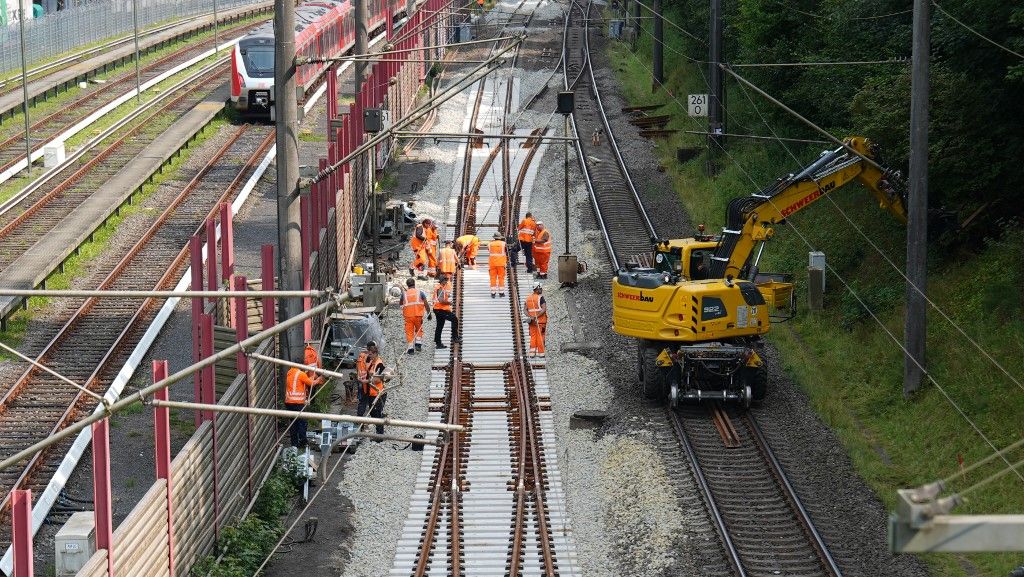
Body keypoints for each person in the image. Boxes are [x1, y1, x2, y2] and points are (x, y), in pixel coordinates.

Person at [356, 343, 387, 435]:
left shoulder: (379, 364)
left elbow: (377, 379)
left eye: (370, 354)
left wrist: (367, 381)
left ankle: (380, 434)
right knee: (373, 414)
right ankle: (378, 432)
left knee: (377, 414)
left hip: (378, 393)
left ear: (375, 353)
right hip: (371, 393)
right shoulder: (372, 362)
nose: (368, 356)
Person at [285, 365, 316, 447]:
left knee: (293, 423)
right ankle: (303, 441)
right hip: (297, 403)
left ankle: (294, 443)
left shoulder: (289, 373)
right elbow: (311, 383)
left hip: (289, 402)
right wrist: (319, 379)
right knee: (302, 422)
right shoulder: (301, 374)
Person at [400, 277, 432, 354]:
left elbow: (400, 304)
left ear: (407, 285)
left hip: (408, 316)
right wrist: (429, 313)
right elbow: (426, 304)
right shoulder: (420, 292)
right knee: (419, 329)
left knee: (409, 332)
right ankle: (418, 344)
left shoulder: (404, 294)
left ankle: (411, 349)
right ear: (414, 284)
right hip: (418, 315)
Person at [432, 274, 460, 348]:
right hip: (440, 309)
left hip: (439, 309)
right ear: (441, 281)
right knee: (454, 319)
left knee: (440, 326)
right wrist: (449, 303)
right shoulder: (440, 288)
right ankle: (455, 337)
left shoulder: (443, 287)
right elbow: (441, 300)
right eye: (445, 280)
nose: (446, 281)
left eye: (446, 280)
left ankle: (438, 343)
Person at [524, 282, 548, 357]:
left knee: (533, 336)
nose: (541, 290)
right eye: (540, 288)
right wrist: (536, 316)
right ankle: (541, 353)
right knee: (541, 336)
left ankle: (532, 353)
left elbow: (525, 310)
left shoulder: (528, 298)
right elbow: (544, 309)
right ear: (537, 289)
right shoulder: (540, 298)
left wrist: (531, 317)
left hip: (532, 322)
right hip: (540, 321)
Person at [353, 340, 380, 405]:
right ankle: (365, 410)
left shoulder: (361, 355)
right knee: (365, 398)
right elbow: (370, 369)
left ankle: (360, 412)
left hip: (360, 378)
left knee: (361, 398)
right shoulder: (369, 356)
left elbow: (357, 367)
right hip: (366, 381)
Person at [488, 232, 508, 298]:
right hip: (501, 264)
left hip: (492, 264)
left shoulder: (490, 244)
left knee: (492, 278)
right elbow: (507, 252)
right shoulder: (503, 244)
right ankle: (501, 293)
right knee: (501, 278)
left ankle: (493, 293)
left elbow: (489, 251)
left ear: (494, 237)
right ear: (500, 237)